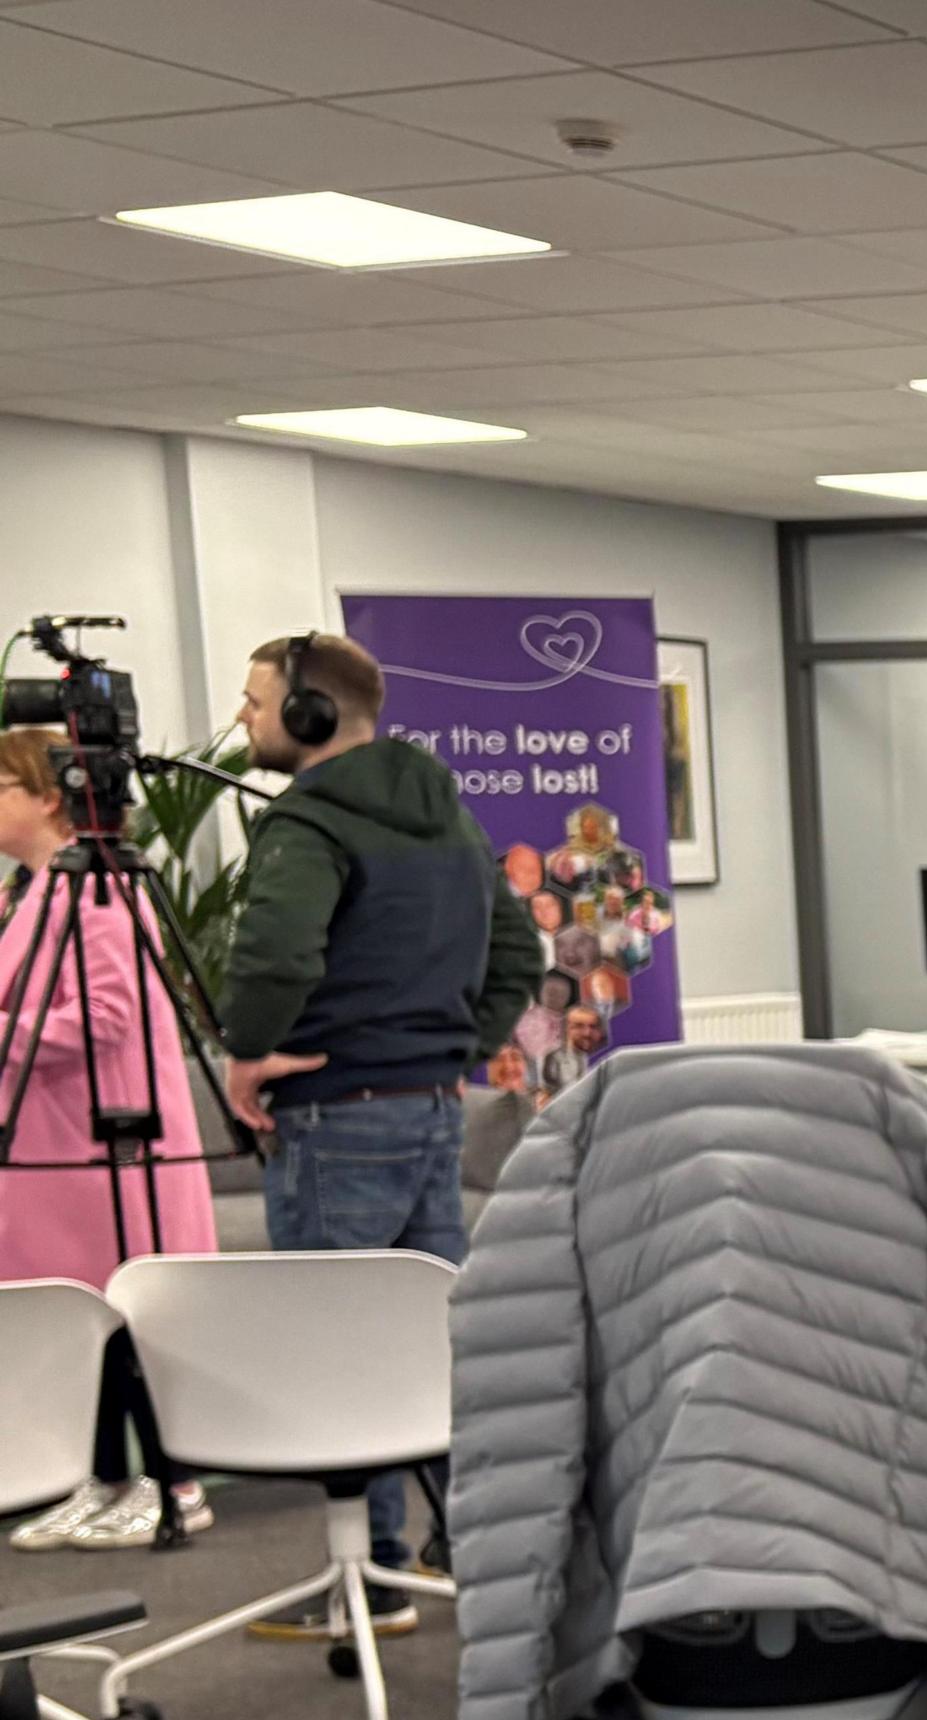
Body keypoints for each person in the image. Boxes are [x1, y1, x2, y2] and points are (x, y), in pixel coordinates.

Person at [216, 631, 544, 1635]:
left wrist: (248, 1053)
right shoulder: (446, 816)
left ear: (310, 716)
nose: (243, 718)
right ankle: (479, 1556)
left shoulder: (307, 823)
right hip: (430, 1112)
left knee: (340, 1354)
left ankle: (372, 1577)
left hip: (332, 1115)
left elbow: (274, 952)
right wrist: (451, 1048)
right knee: (430, 1342)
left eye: (257, 700)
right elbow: (520, 951)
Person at [0, 727, 216, 1552]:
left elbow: (103, 1018)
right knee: (76, 1320)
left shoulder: (95, 890)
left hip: (108, 1142)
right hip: (54, 1143)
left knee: (128, 1322)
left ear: (49, 797)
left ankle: (175, 1484)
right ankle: (99, 1477)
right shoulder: (35, 888)